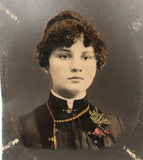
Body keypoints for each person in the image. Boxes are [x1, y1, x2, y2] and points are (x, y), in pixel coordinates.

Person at [18, 11, 125, 150]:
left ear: (96, 62)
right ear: (46, 64)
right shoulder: (22, 127)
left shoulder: (117, 128)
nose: (76, 67)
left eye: (86, 57)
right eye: (64, 56)